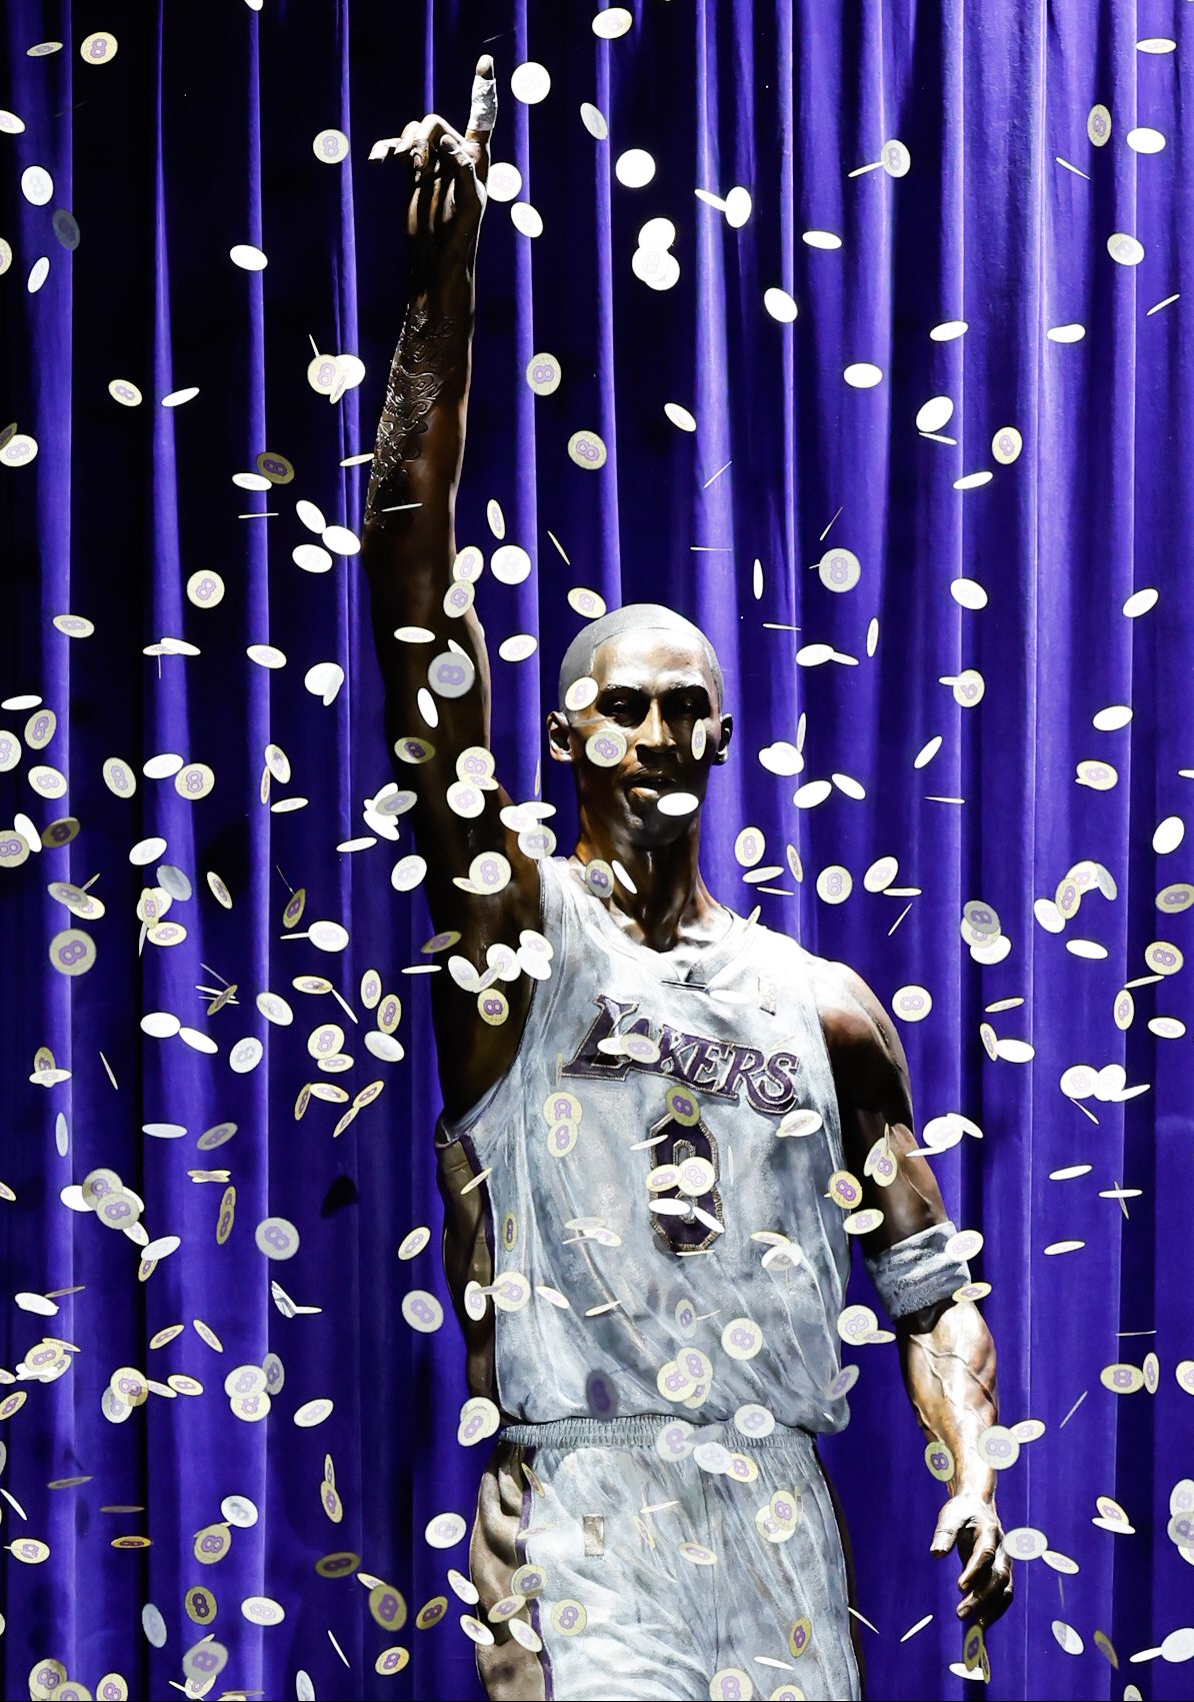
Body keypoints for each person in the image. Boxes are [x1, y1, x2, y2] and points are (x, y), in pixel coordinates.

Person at [358, 58, 1012, 1701]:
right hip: (580, 1505)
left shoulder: (823, 1008)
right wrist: (437, 307)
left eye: (681, 706)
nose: (652, 728)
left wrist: (973, 1464)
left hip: (777, 1522)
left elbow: (930, 1282)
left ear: (720, 738)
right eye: (620, 703)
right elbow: (410, 582)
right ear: (569, 731)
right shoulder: (515, 922)